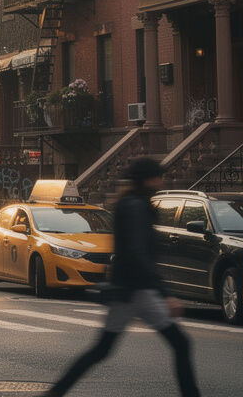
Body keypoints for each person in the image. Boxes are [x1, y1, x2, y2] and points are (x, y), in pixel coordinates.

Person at [40, 157, 201, 397]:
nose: (161, 181)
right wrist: (165, 293)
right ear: (148, 179)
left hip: (132, 290)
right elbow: (137, 252)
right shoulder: (136, 207)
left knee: (103, 350)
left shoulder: (132, 204)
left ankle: (55, 393)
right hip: (136, 291)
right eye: (158, 177)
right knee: (178, 343)